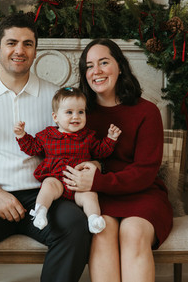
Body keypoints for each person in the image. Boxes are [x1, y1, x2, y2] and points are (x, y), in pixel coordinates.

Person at [0, 13, 91, 282]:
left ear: (35, 50)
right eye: (12, 42)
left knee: (76, 228)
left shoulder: (56, 98)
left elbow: (81, 144)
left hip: (46, 193)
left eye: (28, 43)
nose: (19, 50)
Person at [62, 38, 173, 282]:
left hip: (143, 194)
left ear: (120, 66)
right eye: (89, 66)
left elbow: (144, 172)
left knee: (133, 231)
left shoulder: (146, 112)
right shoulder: (79, 114)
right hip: (101, 199)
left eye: (104, 62)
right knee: (102, 230)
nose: (97, 71)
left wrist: (97, 180)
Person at [14, 86, 121, 233]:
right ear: (56, 117)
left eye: (81, 112)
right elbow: (32, 148)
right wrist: (22, 135)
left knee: (90, 195)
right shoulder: (47, 135)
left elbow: (100, 151)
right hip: (56, 179)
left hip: (79, 184)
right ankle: (40, 212)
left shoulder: (88, 136)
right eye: (69, 112)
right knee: (48, 185)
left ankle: (93, 219)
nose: (76, 116)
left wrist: (110, 139)